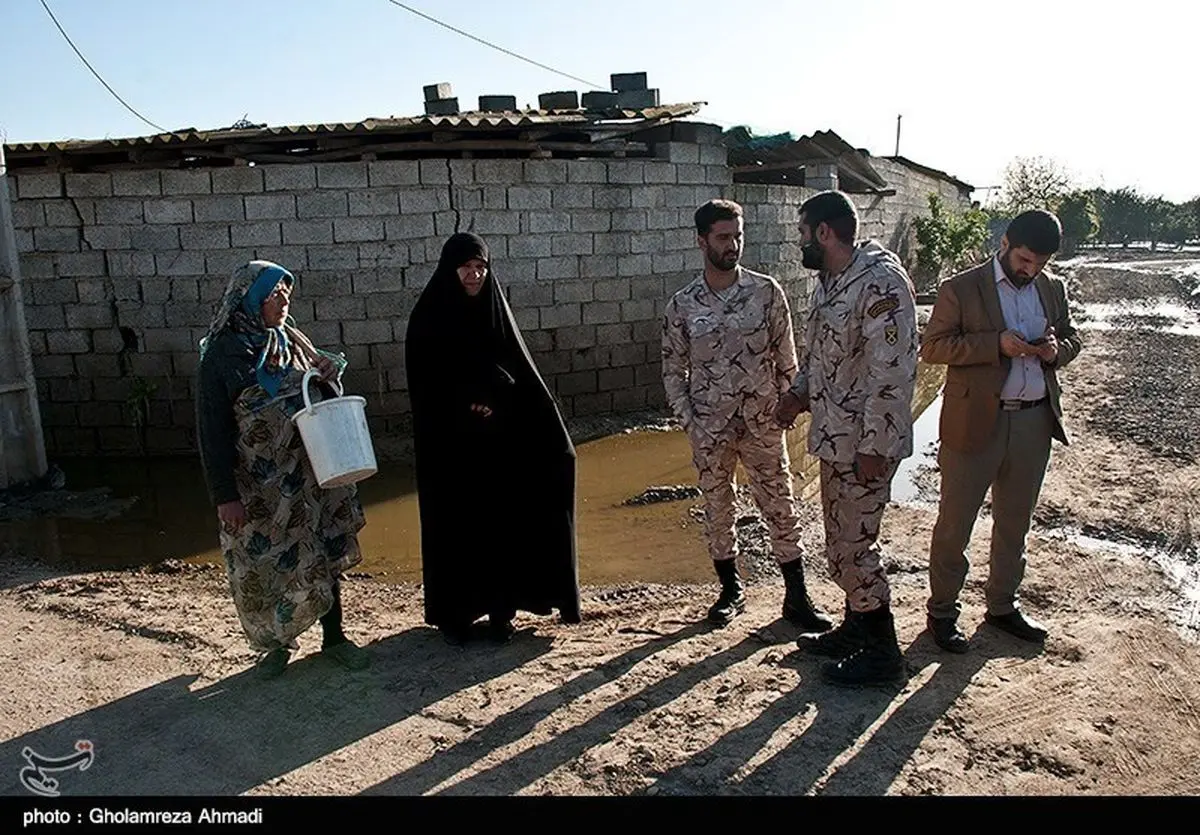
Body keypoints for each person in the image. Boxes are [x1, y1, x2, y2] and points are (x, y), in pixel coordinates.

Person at [662, 199, 832, 633]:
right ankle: (729, 591)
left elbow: (786, 358)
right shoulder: (682, 305)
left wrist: (790, 405)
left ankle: (796, 597)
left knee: (781, 506)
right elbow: (672, 371)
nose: (733, 245)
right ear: (701, 241)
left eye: (737, 235)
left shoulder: (766, 292)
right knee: (718, 509)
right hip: (711, 428)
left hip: (763, 424)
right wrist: (691, 424)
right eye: (723, 237)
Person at [196, 260, 371, 679]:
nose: (284, 300)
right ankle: (276, 644)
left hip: (309, 475)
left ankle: (335, 638)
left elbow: (315, 393)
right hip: (257, 486)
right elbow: (211, 432)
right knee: (265, 562)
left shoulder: (290, 340)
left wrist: (327, 373)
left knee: (323, 548)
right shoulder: (220, 355)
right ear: (250, 298)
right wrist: (225, 496)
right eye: (276, 293)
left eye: (288, 293)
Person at [405, 232, 581, 645]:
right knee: (457, 528)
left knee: (502, 525)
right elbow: (424, 382)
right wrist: (466, 402)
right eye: (467, 267)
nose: (474, 274)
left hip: (497, 444)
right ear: (451, 269)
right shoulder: (428, 317)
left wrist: (498, 400)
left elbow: (520, 373)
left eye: (481, 267)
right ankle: (456, 616)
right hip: (450, 449)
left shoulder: (495, 313)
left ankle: (502, 612)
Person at [775, 190, 919, 687]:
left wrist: (875, 447)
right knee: (840, 542)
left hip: (865, 445)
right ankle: (858, 626)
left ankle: (883, 652)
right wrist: (796, 396)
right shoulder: (829, 284)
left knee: (855, 547)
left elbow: (894, 372)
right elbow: (820, 359)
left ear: (823, 232)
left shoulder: (880, 284)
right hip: (836, 438)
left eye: (801, 232)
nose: (799, 242)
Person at [921, 210, 1082, 652]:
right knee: (956, 523)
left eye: (1041, 263)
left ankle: (1002, 606)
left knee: (1015, 523)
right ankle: (942, 614)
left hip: (1033, 421)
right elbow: (932, 347)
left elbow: (1072, 338)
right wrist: (996, 344)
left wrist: (1054, 352)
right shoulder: (961, 288)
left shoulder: (1052, 288)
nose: (1032, 270)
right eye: (1026, 259)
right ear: (1006, 244)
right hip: (974, 424)